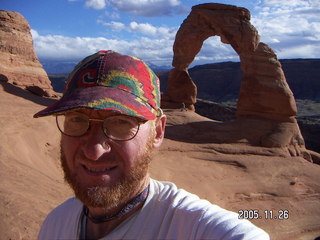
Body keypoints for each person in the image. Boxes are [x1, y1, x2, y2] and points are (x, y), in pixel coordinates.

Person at [35, 50, 269, 240]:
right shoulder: (55, 223)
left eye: (120, 122)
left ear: (158, 132)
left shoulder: (200, 229)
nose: (94, 150)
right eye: (77, 119)